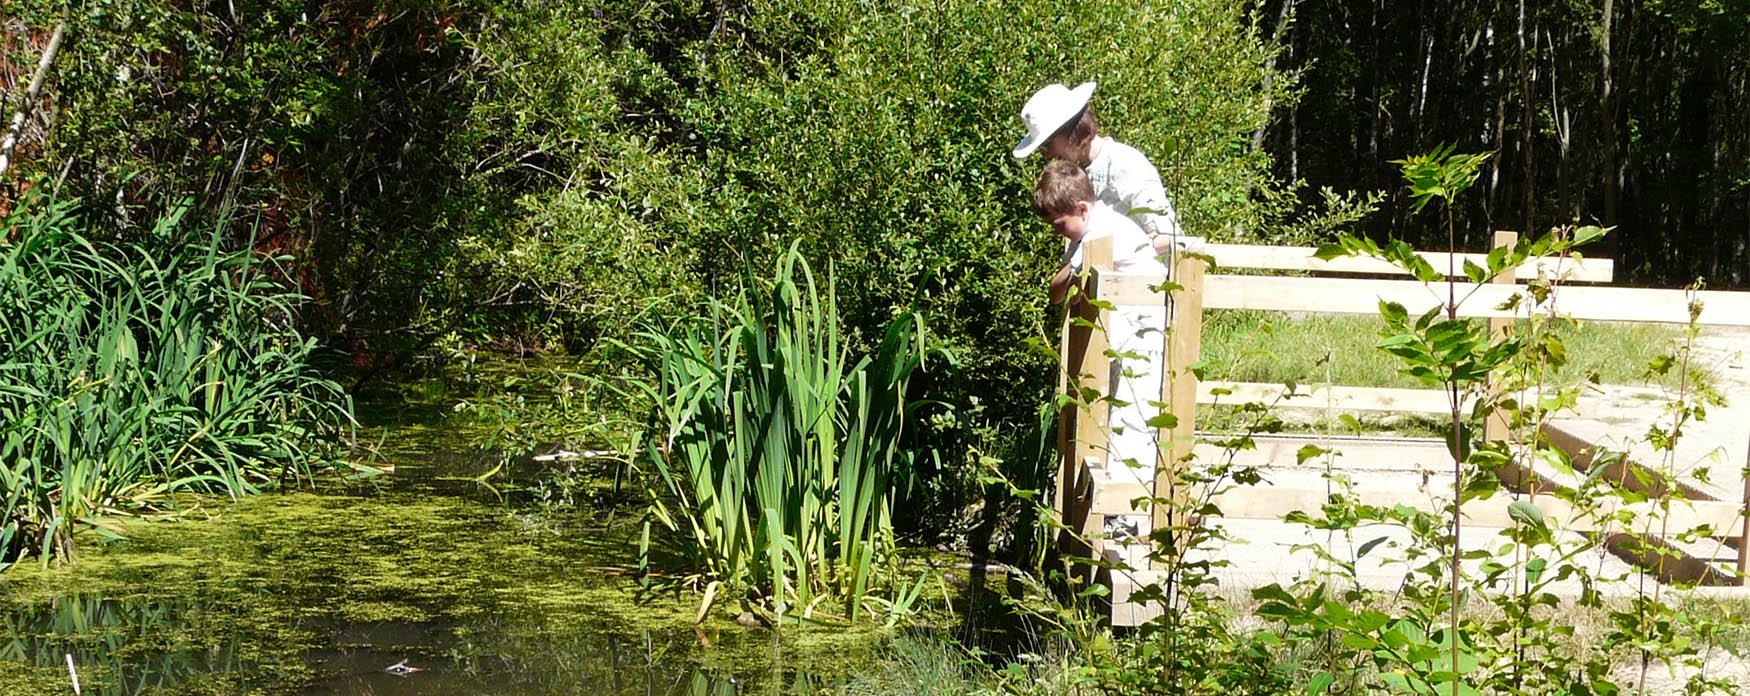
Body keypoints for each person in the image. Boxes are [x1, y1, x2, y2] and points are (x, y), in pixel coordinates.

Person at [1014, 81, 1203, 258]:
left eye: (1047, 144)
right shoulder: (1084, 174)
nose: (1047, 155)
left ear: (1070, 132)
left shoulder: (1124, 163)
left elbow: (1171, 238)